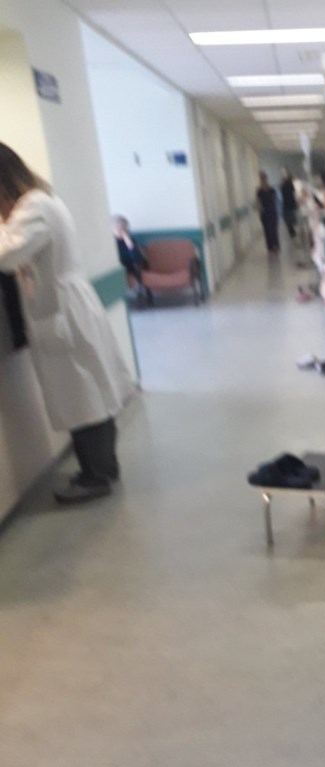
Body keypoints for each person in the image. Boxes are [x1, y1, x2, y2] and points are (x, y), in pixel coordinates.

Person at [0, 142, 134, 504]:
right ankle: (100, 470)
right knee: (85, 395)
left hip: (63, 313)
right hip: (64, 309)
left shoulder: (34, 207)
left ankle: (97, 476)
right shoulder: (41, 201)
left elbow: (7, 254)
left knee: (84, 398)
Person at [112, 214, 151, 306]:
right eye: (117, 228)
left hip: (130, 266)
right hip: (117, 267)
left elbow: (136, 258)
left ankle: (141, 294)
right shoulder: (111, 242)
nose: (120, 231)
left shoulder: (130, 240)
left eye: (123, 229)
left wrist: (129, 244)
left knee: (137, 267)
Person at [256, 172, 279, 254]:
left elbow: (275, 199)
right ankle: (270, 247)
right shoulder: (259, 191)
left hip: (272, 212)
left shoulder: (272, 190)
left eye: (264, 179)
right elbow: (258, 202)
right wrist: (259, 210)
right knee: (267, 230)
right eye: (261, 179)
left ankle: (275, 246)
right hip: (264, 213)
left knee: (273, 229)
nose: (263, 181)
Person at [280, 170, 298, 240]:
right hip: (288, 206)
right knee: (289, 221)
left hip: (290, 205)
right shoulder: (284, 185)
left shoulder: (288, 185)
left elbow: (293, 193)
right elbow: (293, 194)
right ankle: (293, 233)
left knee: (291, 221)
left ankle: (293, 233)